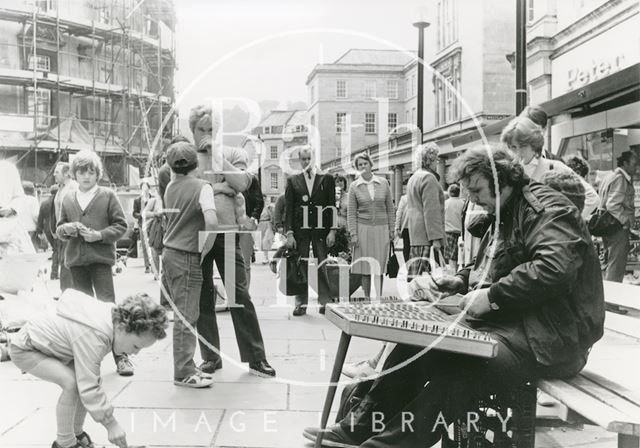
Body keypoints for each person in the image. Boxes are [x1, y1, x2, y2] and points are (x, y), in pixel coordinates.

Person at [303, 144, 605, 448]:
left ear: (502, 180)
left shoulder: (546, 208)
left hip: (554, 338)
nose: (472, 199)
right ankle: (354, 430)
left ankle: (385, 445)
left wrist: (493, 296)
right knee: (417, 344)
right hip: (517, 327)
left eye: (477, 190)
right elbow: (491, 263)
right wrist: (459, 281)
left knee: (463, 368)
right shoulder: (507, 207)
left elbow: (554, 268)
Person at [8, 290, 167, 448]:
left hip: (48, 345)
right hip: (26, 349)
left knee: (83, 380)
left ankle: (77, 434)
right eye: (136, 346)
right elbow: (89, 386)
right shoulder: (95, 335)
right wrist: (111, 425)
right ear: (121, 327)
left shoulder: (113, 319)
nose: (135, 353)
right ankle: (64, 443)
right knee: (72, 383)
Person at [187, 105, 276, 378]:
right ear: (192, 130)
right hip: (197, 234)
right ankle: (211, 358)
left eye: (212, 129)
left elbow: (241, 184)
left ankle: (256, 358)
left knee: (239, 296)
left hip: (226, 234)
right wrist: (219, 187)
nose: (207, 134)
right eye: (202, 129)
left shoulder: (232, 153)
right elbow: (186, 194)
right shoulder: (186, 157)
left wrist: (218, 161)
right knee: (203, 300)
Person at [162, 142, 217, 388]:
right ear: (196, 162)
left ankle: (187, 364)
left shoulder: (171, 187)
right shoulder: (203, 187)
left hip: (170, 253)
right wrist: (205, 249)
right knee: (187, 315)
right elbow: (212, 222)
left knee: (183, 313)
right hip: (187, 255)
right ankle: (183, 371)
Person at [500, 116, 599, 220]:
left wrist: (569, 223)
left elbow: (592, 198)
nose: (516, 152)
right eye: (512, 147)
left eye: (520, 146)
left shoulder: (554, 167)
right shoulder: (513, 173)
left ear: (532, 144)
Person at [285, 146, 337, 315]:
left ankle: (325, 301)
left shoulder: (327, 179)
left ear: (314, 159)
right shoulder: (293, 181)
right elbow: (289, 210)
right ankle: (301, 304)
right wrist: (289, 233)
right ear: (299, 161)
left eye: (309, 158)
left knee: (322, 265)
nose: (306, 162)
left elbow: (331, 207)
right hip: (300, 232)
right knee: (301, 267)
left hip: (321, 230)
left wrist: (332, 231)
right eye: (303, 159)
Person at [347, 153, 395, 297]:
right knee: (365, 266)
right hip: (363, 228)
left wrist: (392, 229)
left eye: (365, 163)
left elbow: (390, 208)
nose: (363, 167)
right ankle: (367, 297)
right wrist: (353, 234)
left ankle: (378, 297)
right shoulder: (354, 186)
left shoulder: (383, 183)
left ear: (370, 164)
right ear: (357, 168)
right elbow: (351, 213)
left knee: (379, 265)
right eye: (359, 165)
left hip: (382, 228)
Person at [405, 143, 446, 280]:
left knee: (415, 272)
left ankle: (412, 296)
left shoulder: (414, 177)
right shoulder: (429, 178)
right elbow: (431, 210)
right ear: (430, 160)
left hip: (415, 231)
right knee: (422, 274)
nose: (437, 162)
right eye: (436, 159)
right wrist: (436, 239)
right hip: (427, 233)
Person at [598, 151, 638, 282]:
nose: (636, 168)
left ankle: (607, 299)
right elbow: (613, 205)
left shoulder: (610, 176)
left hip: (607, 227)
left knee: (609, 263)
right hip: (617, 228)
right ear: (625, 163)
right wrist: (625, 221)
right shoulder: (621, 179)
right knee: (616, 267)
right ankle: (611, 302)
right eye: (634, 164)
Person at [53, 162, 78, 292]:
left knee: (67, 263)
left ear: (67, 173)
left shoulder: (73, 187)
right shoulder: (60, 188)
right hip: (61, 232)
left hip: (70, 233)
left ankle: (69, 293)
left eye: (57, 172)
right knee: (63, 262)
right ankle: (66, 292)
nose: (54, 174)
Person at [239, 174, 264, 282]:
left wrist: (253, 217)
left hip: (246, 222)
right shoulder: (225, 177)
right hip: (229, 222)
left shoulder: (251, 179)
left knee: (245, 264)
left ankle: (243, 296)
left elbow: (259, 201)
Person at [37, 184, 60, 277]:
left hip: (47, 229)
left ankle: (54, 272)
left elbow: (40, 218)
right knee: (58, 250)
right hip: (57, 228)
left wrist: (39, 230)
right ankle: (54, 273)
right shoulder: (58, 201)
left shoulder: (44, 203)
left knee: (55, 249)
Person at [142, 186, 164, 280]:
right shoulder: (153, 201)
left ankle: (164, 273)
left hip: (167, 229)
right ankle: (156, 273)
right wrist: (155, 214)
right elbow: (144, 213)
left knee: (166, 252)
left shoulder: (170, 198)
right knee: (155, 251)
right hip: (156, 229)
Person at [443, 183, 465, 272]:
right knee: (461, 256)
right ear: (459, 192)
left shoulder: (445, 204)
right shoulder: (463, 203)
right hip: (461, 233)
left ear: (449, 192)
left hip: (449, 232)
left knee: (451, 257)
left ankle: (453, 273)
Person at [13, 181, 40, 248]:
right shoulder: (33, 200)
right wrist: (40, 227)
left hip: (19, 230)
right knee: (32, 249)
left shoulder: (16, 200)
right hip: (31, 229)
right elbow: (36, 215)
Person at [131, 181, 151, 272]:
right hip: (142, 224)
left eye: (146, 187)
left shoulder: (153, 199)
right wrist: (141, 215)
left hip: (152, 224)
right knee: (144, 245)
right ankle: (147, 265)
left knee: (153, 245)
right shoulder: (137, 200)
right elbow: (134, 213)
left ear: (149, 188)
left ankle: (154, 265)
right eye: (143, 187)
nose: (145, 189)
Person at [258, 195, 275, 264]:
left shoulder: (269, 207)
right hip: (260, 224)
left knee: (266, 241)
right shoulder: (259, 207)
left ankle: (266, 258)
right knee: (261, 241)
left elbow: (273, 216)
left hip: (267, 223)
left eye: (265, 199)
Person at [394, 194, 410, 263]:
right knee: (409, 246)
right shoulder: (405, 198)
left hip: (406, 227)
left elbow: (399, 213)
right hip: (410, 227)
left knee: (407, 246)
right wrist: (397, 227)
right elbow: (399, 212)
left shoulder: (404, 198)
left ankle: (408, 265)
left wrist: (397, 227)